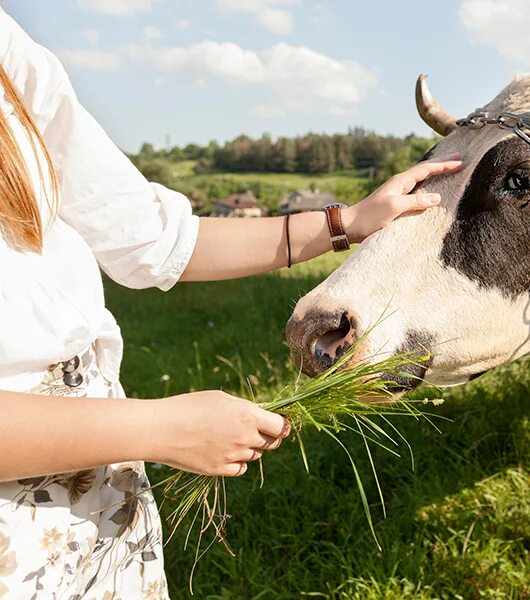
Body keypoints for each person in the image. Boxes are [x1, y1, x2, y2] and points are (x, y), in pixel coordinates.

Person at [0, 8, 461, 599]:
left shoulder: (10, 50)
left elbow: (150, 237)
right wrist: (159, 427)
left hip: (103, 507)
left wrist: (347, 222)